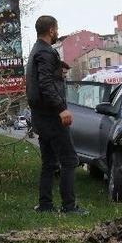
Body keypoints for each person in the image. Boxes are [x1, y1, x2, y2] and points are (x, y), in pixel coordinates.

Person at [25, 15, 87, 215]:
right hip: (51, 116)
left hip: (40, 117)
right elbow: (44, 84)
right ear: (51, 30)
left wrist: (57, 73)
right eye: (56, 29)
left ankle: (45, 205)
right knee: (69, 160)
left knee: (50, 162)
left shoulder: (36, 51)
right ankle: (69, 207)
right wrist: (62, 108)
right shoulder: (45, 52)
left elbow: (44, 79)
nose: (57, 32)